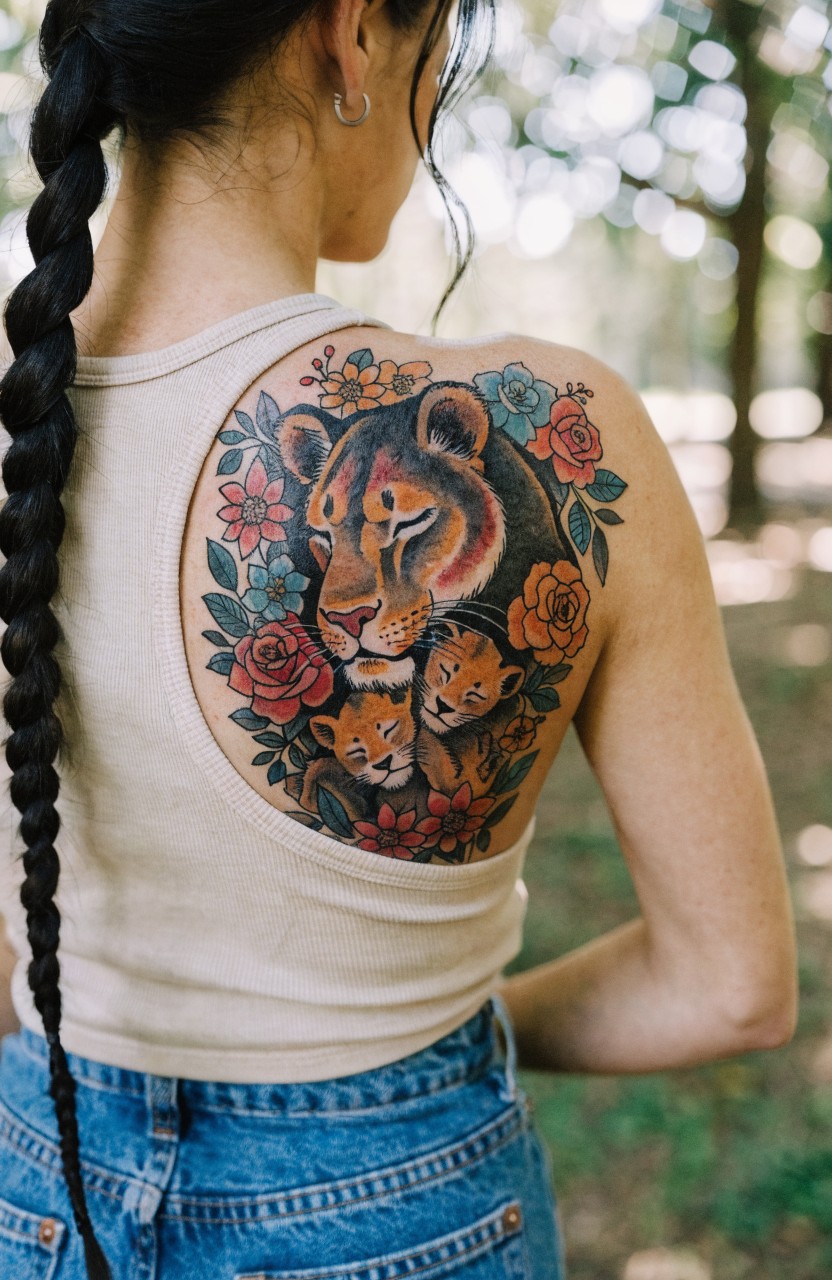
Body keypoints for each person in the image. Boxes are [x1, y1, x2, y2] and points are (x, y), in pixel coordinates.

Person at [0, 1, 798, 1278]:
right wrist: (445, 1043)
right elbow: (731, 985)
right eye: (444, 58)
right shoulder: (556, 422)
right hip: (403, 1201)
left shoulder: (22, 412)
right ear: (354, 34)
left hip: (32, 1183)